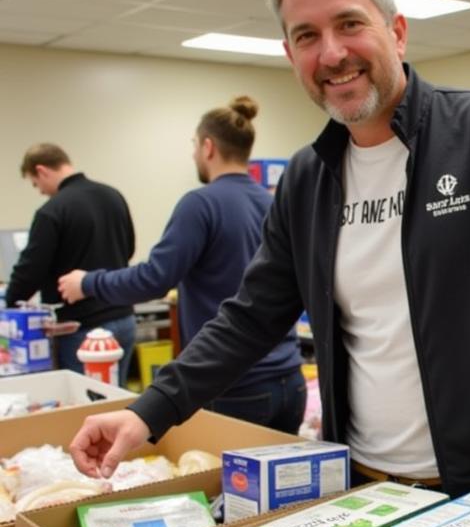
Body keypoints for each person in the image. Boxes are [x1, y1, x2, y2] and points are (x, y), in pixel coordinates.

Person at [69, 0, 470, 500]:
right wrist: (148, 412)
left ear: (397, 31)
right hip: (360, 489)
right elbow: (249, 319)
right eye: (307, 36)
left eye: (349, 24)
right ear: (291, 56)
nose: (333, 53)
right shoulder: (306, 179)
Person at [57, 97, 307, 434]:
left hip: (235, 387)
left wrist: (88, 283)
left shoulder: (200, 204)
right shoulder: (271, 201)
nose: (193, 154)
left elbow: (153, 279)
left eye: (193, 145)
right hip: (290, 383)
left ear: (207, 147)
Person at [8, 143, 136, 383]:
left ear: (42, 170)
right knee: (119, 401)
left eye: (36, 184)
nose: (41, 192)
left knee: (88, 409)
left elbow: (29, 271)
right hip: (125, 319)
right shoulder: (113, 196)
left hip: (82, 328)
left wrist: (9, 302)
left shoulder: (52, 211)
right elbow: (128, 248)